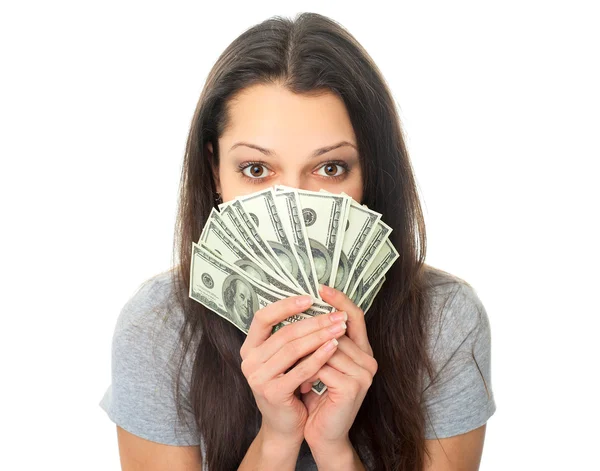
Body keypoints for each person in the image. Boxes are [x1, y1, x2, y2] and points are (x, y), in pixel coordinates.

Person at [99, 12, 496, 470]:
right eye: (256, 169)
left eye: (330, 168)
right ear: (215, 172)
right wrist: (276, 439)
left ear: (371, 172)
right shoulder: (158, 329)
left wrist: (334, 449)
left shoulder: (444, 321)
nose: (291, 205)